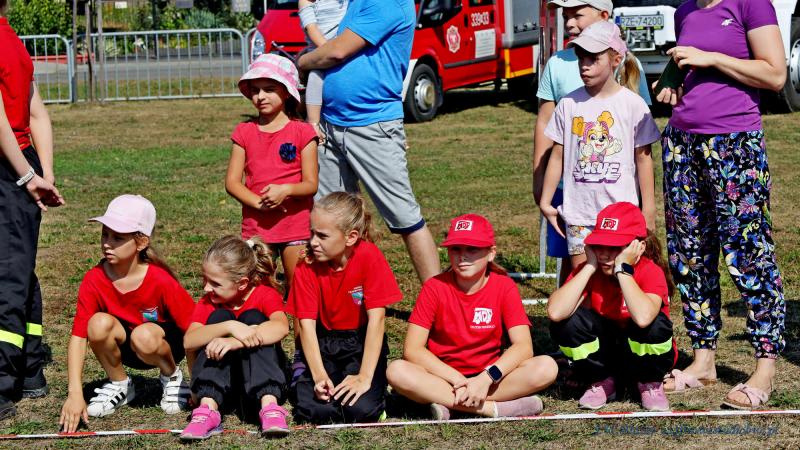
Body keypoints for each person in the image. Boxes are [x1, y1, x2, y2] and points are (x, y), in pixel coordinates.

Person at [652, 0, 786, 409]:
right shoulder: (685, 11)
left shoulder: (751, 4)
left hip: (735, 143)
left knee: (749, 252)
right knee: (689, 253)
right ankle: (704, 360)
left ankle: (765, 366)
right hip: (682, 142)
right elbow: (693, 70)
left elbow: (775, 75)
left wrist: (711, 58)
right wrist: (673, 82)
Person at [297, 0, 440, 283]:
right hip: (328, 124)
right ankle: (345, 298)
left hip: (373, 125)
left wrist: (301, 62)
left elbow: (336, 51)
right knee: (333, 219)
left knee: (405, 218)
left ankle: (437, 300)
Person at [387, 214, 558, 419]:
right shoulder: (434, 287)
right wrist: (458, 380)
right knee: (397, 371)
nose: (463, 256)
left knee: (546, 367)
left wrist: (485, 378)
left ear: (491, 253)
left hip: (490, 379)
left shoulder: (504, 286)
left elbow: (523, 347)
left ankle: (447, 404)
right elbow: (412, 350)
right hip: (443, 377)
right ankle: (492, 409)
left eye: (472, 249)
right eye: (456, 249)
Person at [533, 0, 651, 284]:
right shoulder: (568, 102)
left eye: (593, 59)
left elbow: (643, 156)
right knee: (581, 279)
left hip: (620, 211)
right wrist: (545, 197)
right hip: (577, 211)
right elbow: (557, 151)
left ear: (615, 59)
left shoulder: (632, 103)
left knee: (619, 279)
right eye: (581, 58)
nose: (584, 66)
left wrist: (648, 208)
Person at [59, 195, 194, 433]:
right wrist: (75, 394)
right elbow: (79, 338)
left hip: (162, 346)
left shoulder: (160, 279)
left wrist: (201, 387)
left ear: (141, 242)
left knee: (144, 335)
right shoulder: (94, 278)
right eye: (105, 234)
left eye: (118, 237)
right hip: (127, 347)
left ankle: (172, 377)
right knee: (97, 323)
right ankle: (120, 383)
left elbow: (195, 331)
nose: (107, 243)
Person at [0, 0, 65, 419]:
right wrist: (43, 171)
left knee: (8, 272)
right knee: (17, 265)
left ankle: (4, 380)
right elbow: (37, 113)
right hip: (22, 163)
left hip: (10, 166)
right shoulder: (11, 39)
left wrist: (28, 175)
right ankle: (29, 366)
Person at [547, 202, 676, 411]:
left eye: (614, 248)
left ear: (638, 247)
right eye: (599, 245)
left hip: (641, 361)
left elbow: (643, 318)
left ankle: (650, 384)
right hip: (606, 358)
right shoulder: (592, 269)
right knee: (566, 324)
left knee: (654, 325)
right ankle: (601, 382)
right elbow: (555, 312)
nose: (604, 254)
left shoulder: (650, 271)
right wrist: (589, 266)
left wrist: (623, 270)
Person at [287, 192, 402, 424]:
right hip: (324, 341)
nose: (313, 242)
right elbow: (306, 325)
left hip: (360, 341)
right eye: (312, 233)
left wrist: (365, 376)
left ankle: (376, 394)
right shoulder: (306, 264)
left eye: (322, 235)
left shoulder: (369, 256)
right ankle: (303, 374)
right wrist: (319, 376)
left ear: (350, 237)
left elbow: (377, 320)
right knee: (317, 412)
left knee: (360, 411)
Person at [180, 236, 290, 440]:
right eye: (205, 279)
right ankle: (207, 409)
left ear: (242, 283)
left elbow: (281, 327)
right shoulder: (208, 303)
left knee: (254, 318)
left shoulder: (264, 294)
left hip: (261, 383)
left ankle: (270, 408)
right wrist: (228, 326)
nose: (206, 288)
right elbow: (189, 341)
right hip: (222, 390)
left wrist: (235, 341)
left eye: (215, 283)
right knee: (219, 317)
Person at [227, 53, 319, 290]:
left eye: (269, 89)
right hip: (256, 227)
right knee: (258, 290)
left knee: (299, 288)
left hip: (295, 225)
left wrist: (286, 190)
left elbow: (311, 184)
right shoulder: (244, 131)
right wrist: (259, 204)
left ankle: (300, 318)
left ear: (287, 92)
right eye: (255, 90)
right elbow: (232, 182)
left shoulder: (303, 132)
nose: (260, 96)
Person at [297, 0, 349, 142]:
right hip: (319, 51)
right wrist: (328, 49)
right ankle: (313, 122)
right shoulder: (305, 2)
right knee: (315, 77)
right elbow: (311, 28)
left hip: (342, 48)